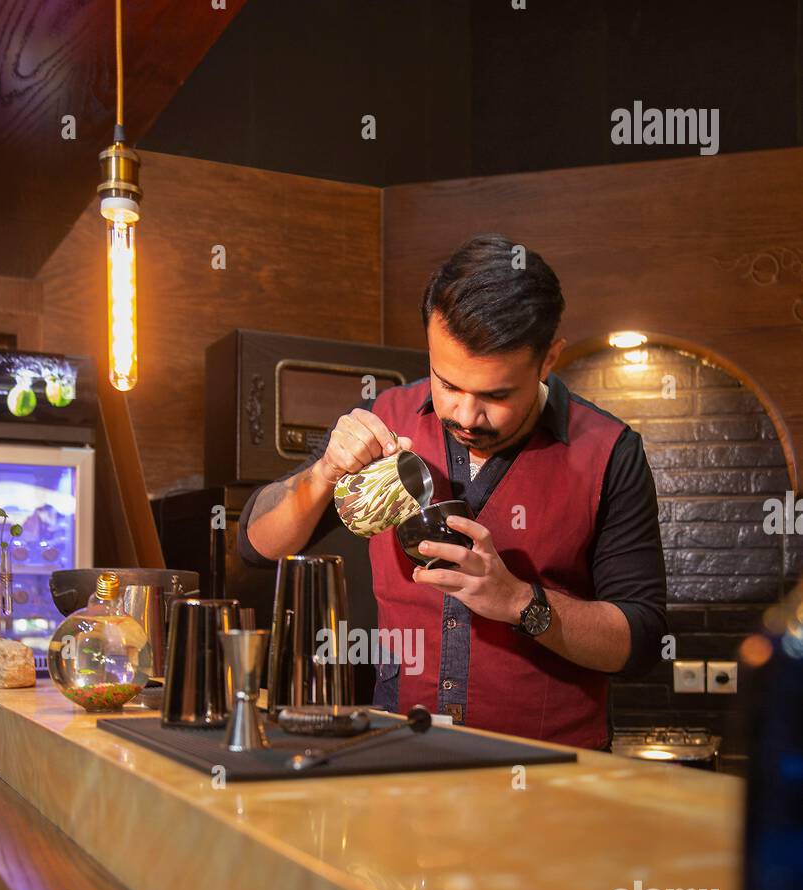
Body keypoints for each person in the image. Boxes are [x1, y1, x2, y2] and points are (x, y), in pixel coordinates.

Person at [237, 234, 666, 749]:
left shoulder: (610, 451)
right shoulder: (386, 417)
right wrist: (324, 471)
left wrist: (519, 603)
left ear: (549, 358)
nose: (465, 415)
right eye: (447, 383)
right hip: (400, 751)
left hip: (549, 771)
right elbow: (258, 545)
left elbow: (639, 640)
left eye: (496, 395)